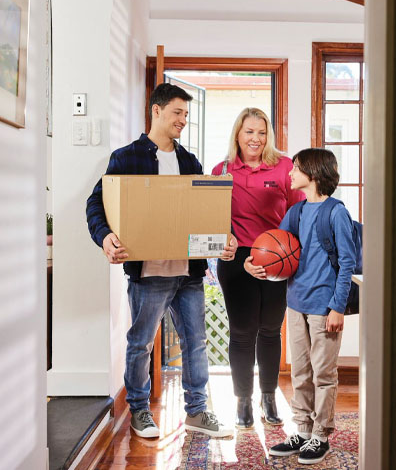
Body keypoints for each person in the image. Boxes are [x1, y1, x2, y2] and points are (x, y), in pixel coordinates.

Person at [86, 83, 236, 439]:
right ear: (156, 111)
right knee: (141, 343)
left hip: (188, 272)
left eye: (186, 113)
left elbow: (205, 214)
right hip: (149, 273)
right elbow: (96, 204)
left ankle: (197, 411)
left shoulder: (189, 161)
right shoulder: (127, 158)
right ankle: (139, 410)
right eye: (177, 113)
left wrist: (223, 238)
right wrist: (105, 237)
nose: (183, 120)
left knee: (196, 342)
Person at [245, 148, 356, 464]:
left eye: (295, 168)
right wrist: (256, 265)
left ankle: (321, 436)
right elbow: (276, 251)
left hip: (324, 306)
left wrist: (338, 307)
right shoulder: (295, 213)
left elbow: (347, 263)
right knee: (301, 372)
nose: (290, 173)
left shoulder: (336, 213)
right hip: (295, 303)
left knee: (324, 373)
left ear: (314, 173)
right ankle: (304, 432)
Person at [211, 108, 304, 429]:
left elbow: (298, 214)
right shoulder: (221, 170)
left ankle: (268, 397)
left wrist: (277, 255)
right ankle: (243, 401)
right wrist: (234, 249)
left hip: (277, 256)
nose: (255, 138)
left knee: (269, 330)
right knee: (241, 332)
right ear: (238, 134)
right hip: (237, 259)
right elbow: (212, 219)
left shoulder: (284, 167)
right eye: (249, 132)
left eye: (261, 132)